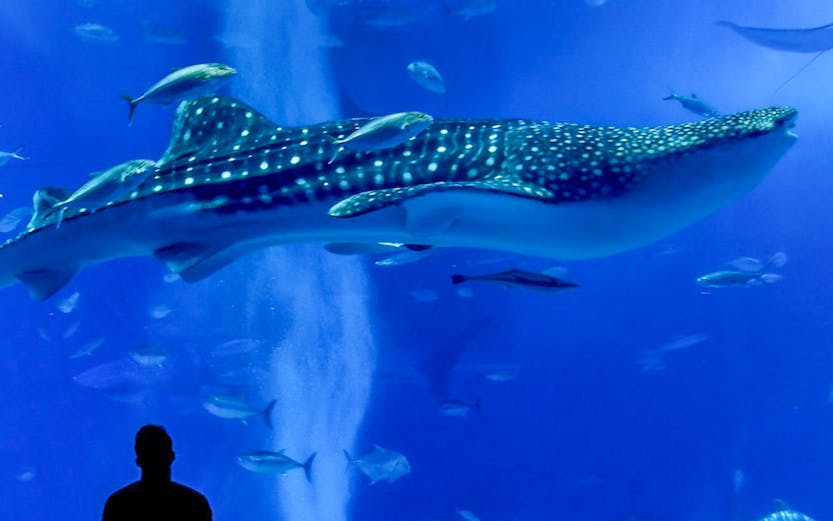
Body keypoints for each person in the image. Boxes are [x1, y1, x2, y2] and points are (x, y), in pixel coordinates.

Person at [102, 425, 212, 521]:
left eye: (158, 454)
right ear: (172, 456)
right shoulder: (195, 503)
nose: (155, 460)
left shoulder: (118, 503)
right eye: (152, 455)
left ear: (138, 461)